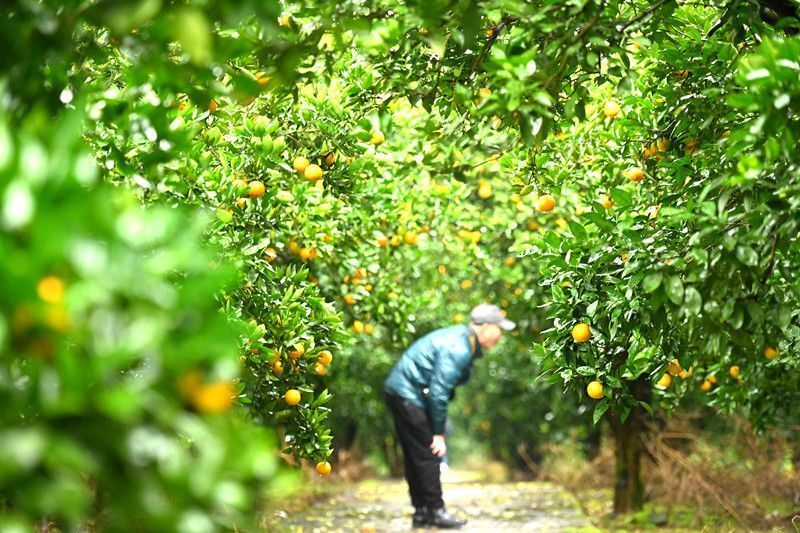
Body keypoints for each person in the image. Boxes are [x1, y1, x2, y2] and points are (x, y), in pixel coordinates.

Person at [384, 303, 515, 529]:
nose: (501, 335)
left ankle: (422, 512)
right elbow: (438, 392)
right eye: (499, 329)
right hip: (408, 394)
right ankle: (436, 511)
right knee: (429, 453)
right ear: (485, 326)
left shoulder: (462, 339)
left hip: (400, 391)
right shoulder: (459, 347)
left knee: (416, 455)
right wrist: (438, 434)